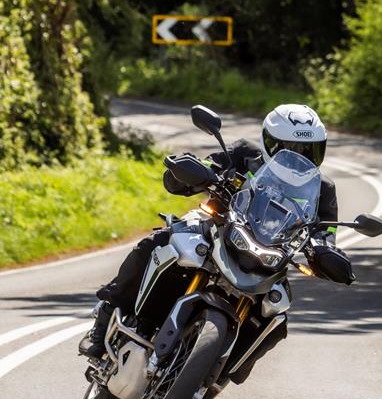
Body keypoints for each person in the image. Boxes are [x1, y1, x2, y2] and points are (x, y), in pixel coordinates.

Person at [79, 104, 338, 363]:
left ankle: (210, 384)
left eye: (308, 150)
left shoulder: (323, 189)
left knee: (276, 314)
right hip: (220, 227)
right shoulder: (244, 153)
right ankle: (105, 316)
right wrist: (190, 172)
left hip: (272, 255)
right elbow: (208, 164)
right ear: (268, 141)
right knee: (159, 241)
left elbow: (327, 233)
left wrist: (327, 253)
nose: (298, 158)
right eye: (289, 149)